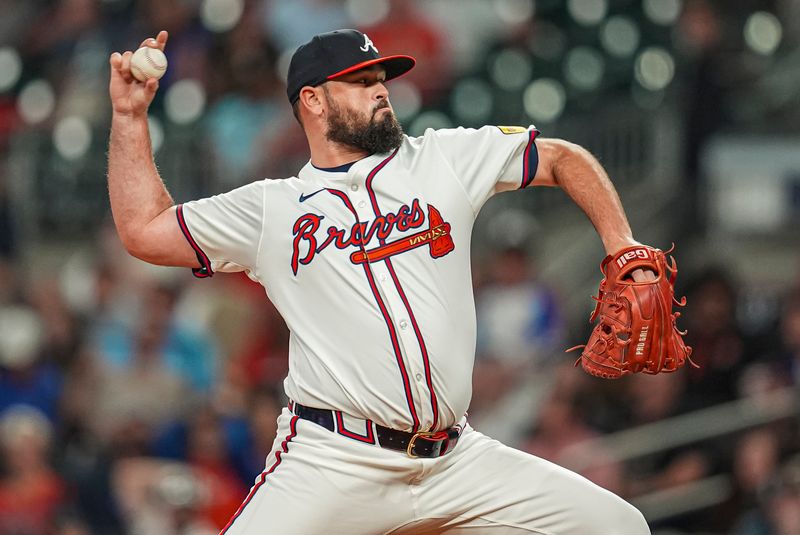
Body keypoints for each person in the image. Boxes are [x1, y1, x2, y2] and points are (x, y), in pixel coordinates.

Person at [108, 29, 652, 534]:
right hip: (334, 459)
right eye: (361, 82)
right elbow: (145, 230)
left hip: (455, 459)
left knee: (621, 526)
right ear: (313, 100)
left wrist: (621, 243)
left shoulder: (442, 159)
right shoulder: (272, 209)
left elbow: (560, 157)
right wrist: (129, 116)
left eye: (381, 80)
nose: (381, 91)